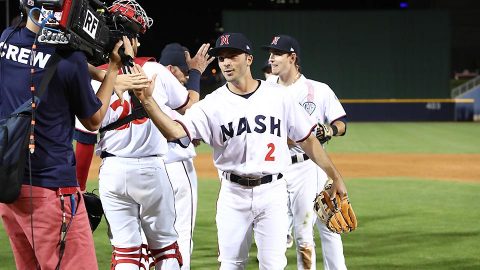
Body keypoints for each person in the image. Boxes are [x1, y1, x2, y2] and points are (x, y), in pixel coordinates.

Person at [131, 32, 350, 270]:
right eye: (221, 57)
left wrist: (335, 176)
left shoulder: (279, 97)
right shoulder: (211, 105)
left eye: (232, 56)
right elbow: (174, 131)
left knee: (274, 265)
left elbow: (308, 140)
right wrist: (147, 101)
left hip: (273, 192)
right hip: (233, 194)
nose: (225, 62)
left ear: (249, 59)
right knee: (231, 265)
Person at [87, 1, 213, 269]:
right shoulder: (155, 71)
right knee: (167, 249)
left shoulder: (93, 79)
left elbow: (88, 132)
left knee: (126, 253)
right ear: (129, 39)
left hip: (110, 170)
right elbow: (188, 104)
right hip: (150, 169)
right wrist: (195, 74)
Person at [0, 0, 124, 268]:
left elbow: (44, 58)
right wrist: (112, 70)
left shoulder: (6, 40)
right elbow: (94, 120)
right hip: (52, 190)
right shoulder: (71, 60)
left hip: (10, 187)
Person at [263, 34, 348, 270]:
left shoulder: (317, 90)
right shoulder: (264, 88)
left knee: (308, 230)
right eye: (270, 53)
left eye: (277, 53)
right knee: (279, 232)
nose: (271, 58)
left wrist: (329, 130)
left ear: (292, 58)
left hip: (307, 167)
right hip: (274, 167)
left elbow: (341, 123)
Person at [158, 42, 213, 269]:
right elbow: (190, 110)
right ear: (171, 69)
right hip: (175, 165)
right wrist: (197, 74)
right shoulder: (169, 85)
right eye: (184, 72)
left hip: (146, 168)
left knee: (144, 240)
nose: (185, 78)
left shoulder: (141, 77)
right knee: (180, 236)